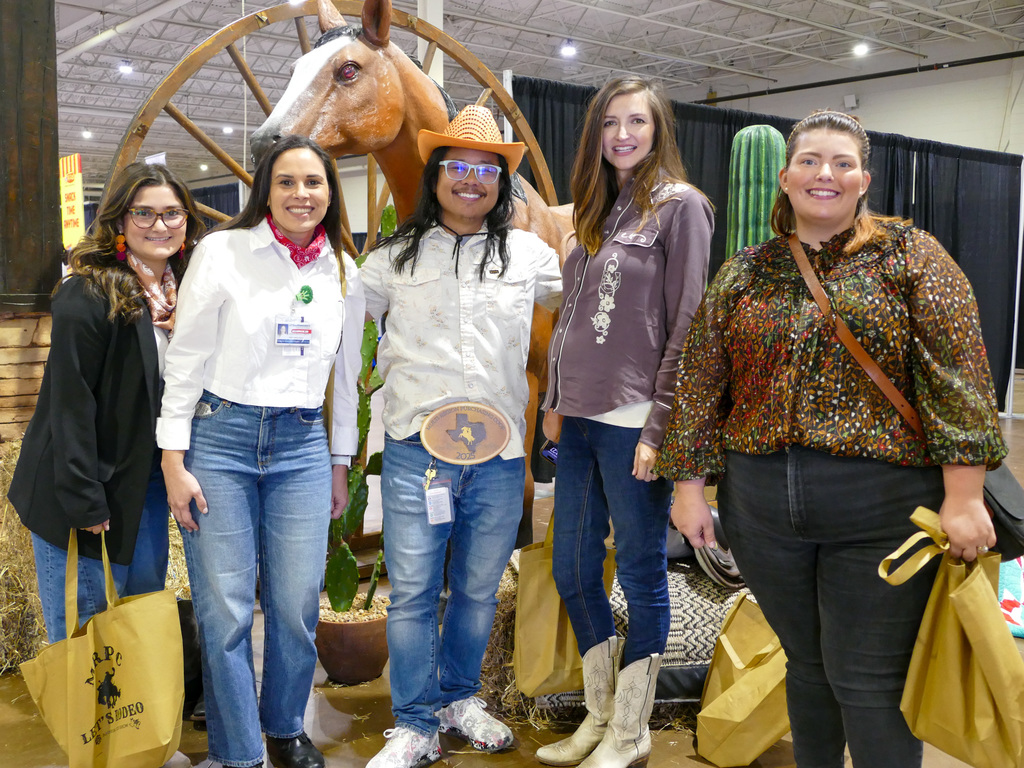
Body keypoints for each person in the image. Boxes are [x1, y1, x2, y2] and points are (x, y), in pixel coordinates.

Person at [655, 110, 1007, 768]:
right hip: (761, 509)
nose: (826, 174)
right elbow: (703, 382)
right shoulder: (744, 273)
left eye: (842, 163)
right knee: (808, 668)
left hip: (881, 508)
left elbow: (958, 376)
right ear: (784, 177)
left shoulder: (912, 258)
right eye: (810, 161)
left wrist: (963, 497)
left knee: (868, 683)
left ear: (863, 179)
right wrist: (688, 489)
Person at [360, 105, 561, 768]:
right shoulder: (391, 260)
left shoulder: (532, 257)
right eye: (458, 167)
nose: (471, 179)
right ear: (436, 176)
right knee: (414, 589)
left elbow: (588, 308)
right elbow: (334, 329)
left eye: (486, 169)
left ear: (503, 183)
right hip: (420, 454)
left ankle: (458, 699)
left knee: (477, 589)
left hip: (500, 458)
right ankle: (414, 721)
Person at [158, 135, 364, 768]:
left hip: (302, 445)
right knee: (224, 611)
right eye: (287, 182)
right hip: (221, 437)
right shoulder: (224, 252)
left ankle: (284, 726)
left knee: (298, 603)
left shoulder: (342, 270)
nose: (302, 194)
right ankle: (240, 750)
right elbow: (186, 359)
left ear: (331, 193)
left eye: (314, 183)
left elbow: (348, 375)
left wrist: (339, 462)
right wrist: (173, 459)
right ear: (265, 191)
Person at [537, 76, 712, 768]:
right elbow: (571, 319)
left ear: (659, 128)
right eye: (610, 123)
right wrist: (553, 401)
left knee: (639, 576)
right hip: (576, 421)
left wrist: (659, 428)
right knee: (573, 568)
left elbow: (689, 321)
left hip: (635, 419)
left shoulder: (681, 208)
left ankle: (631, 733)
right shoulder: (593, 214)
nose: (622, 135)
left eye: (636, 121)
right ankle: (601, 715)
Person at [11, 162, 204, 643]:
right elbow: (69, 402)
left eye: (171, 214)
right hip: (85, 484)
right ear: (119, 221)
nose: (159, 226)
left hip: (146, 484)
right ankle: (84, 722)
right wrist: (82, 497)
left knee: (138, 621)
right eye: (144, 214)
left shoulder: (188, 296)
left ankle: (133, 720)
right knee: (86, 631)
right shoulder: (89, 292)